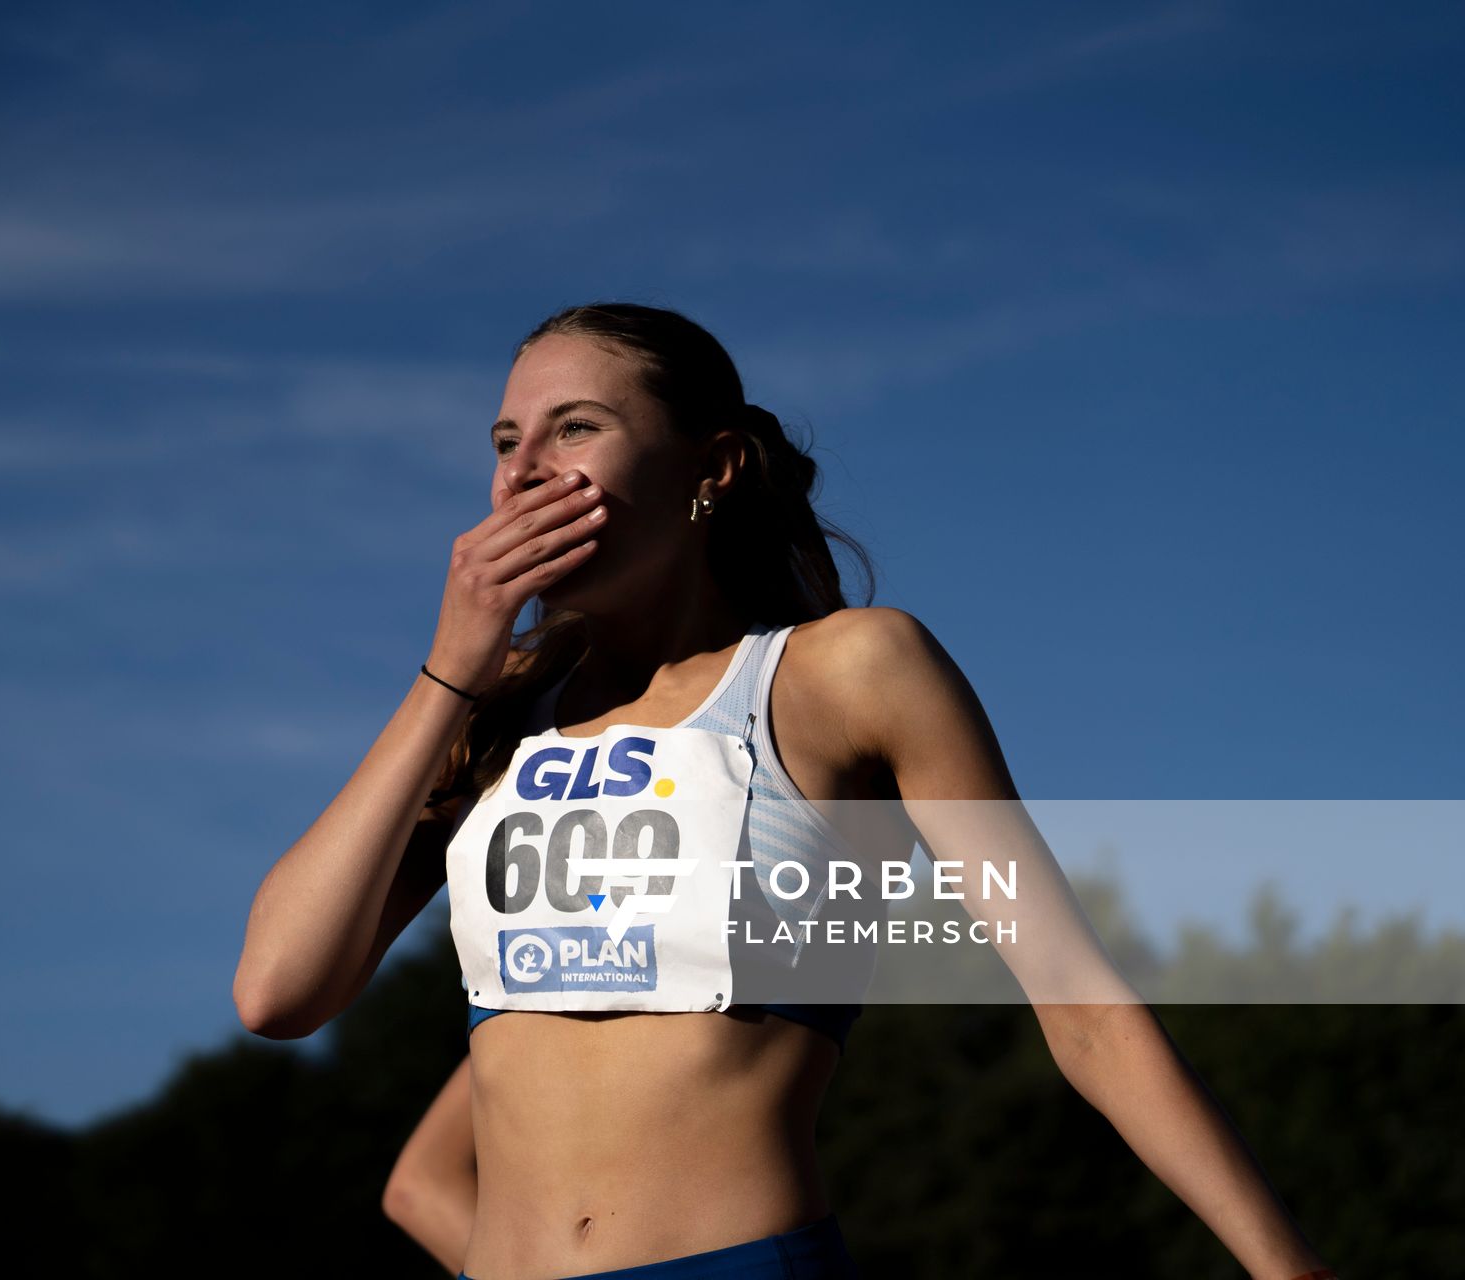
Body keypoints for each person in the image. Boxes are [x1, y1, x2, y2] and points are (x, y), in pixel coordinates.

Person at [234, 302, 1337, 1280]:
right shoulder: (497, 704)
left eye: (576, 426)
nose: (522, 469)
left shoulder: (849, 671)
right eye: (505, 440)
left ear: (710, 466)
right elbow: (278, 992)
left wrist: (1286, 1264)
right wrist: (452, 673)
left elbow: (1081, 1003)